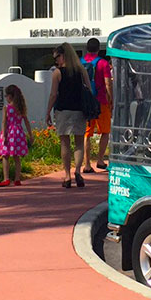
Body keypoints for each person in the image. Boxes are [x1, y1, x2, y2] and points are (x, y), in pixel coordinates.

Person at [45, 41, 93, 188]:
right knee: (79, 142)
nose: (56, 60)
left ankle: (67, 176)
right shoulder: (81, 71)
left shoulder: (57, 73)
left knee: (65, 142)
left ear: (63, 55)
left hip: (63, 110)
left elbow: (53, 94)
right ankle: (78, 171)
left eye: (57, 57)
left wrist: (47, 111)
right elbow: (89, 91)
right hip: (79, 109)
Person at [81, 37, 113, 173]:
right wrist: (111, 99)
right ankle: (100, 160)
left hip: (85, 102)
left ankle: (87, 164)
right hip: (101, 101)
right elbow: (108, 83)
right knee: (105, 131)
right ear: (99, 49)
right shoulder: (103, 63)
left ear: (87, 48)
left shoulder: (80, 62)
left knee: (87, 134)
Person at [0, 84, 32, 187]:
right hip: (18, 133)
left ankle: (6, 178)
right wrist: (30, 134)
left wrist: (4, 135)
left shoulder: (7, 108)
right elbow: (26, 122)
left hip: (9, 132)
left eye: (6, 95)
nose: (6, 98)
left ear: (10, 96)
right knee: (16, 157)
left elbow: (4, 122)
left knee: (5, 155)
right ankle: (17, 178)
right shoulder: (21, 108)